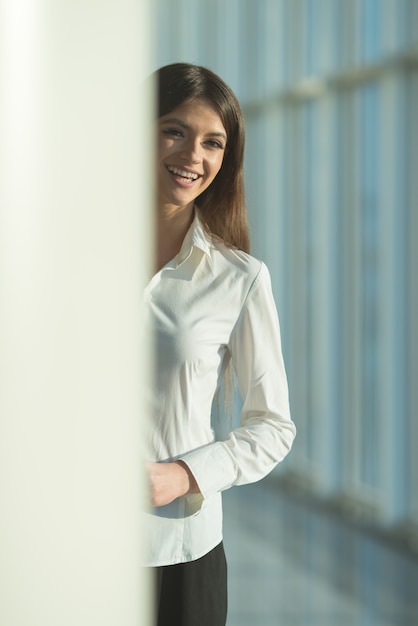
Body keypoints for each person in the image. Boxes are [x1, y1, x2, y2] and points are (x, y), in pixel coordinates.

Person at [144, 62, 296, 626]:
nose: (193, 156)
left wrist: (183, 474)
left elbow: (273, 426)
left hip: (179, 557)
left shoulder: (240, 279)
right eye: (174, 130)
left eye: (214, 142)